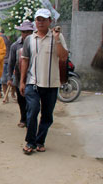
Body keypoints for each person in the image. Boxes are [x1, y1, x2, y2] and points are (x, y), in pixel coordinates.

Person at [20, 9, 68, 154]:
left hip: (51, 83)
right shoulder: (29, 39)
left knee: (47, 115)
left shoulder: (57, 37)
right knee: (33, 110)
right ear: (35, 21)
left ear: (50, 21)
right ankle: (30, 142)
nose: (40, 22)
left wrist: (57, 39)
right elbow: (25, 60)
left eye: (43, 20)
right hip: (32, 82)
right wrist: (22, 81)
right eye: (38, 19)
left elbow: (63, 57)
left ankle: (40, 141)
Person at [7, 20, 35, 128]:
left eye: (29, 32)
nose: (26, 34)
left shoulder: (36, 44)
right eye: (24, 32)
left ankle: (30, 119)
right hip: (19, 77)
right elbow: (11, 62)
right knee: (21, 99)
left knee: (31, 100)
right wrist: (9, 77)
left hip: (32, 77)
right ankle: (23, 118)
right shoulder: (15, 46)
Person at [0, 29, 12, 101]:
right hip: (3, 61)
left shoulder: (14, 36)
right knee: (3, 80)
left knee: (12, 79)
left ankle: (12, 93)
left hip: (11, 60)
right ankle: (5, 96)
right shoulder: (0, 37)